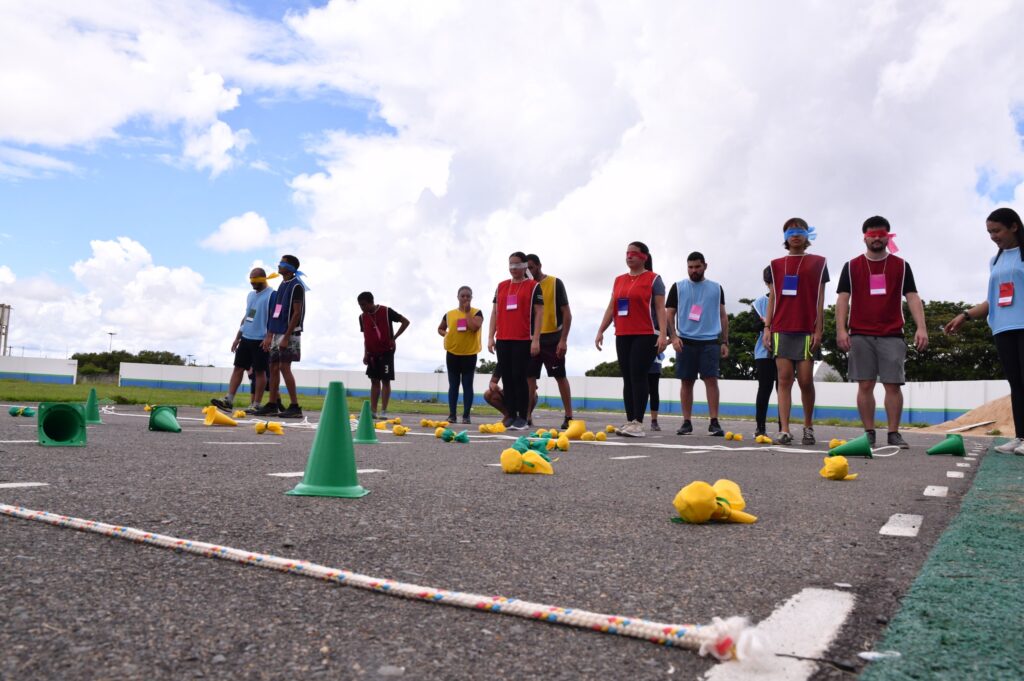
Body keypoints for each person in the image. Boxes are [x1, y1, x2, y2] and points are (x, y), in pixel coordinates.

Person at [836, 216, 928, 449]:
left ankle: (893, 433)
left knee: (892, 385)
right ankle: (868, 433)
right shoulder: (851, 266)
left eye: (881, 234)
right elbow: (843, 299)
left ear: (888, 237)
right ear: (864, 237)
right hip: (860, 333)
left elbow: (912, 296)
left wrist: (921, 327)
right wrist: (841, 330)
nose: (876, 238)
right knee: (865, 385)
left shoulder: (901, 265)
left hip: (892, 333)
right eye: (872, 234)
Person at [944, 207, 1024, 455]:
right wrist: (965, 315)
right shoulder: (995, 261)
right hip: (1002, 328)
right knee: (1016, 384)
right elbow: (992, 300)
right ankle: (1021, 437)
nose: (993, 236)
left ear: (1014, 227)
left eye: (997, 231)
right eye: (989, 232)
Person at [763, 219, 829, 445]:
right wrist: (767, 327)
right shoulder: (775, 264)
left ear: (807, 235)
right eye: (791, 231)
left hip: (807, 329)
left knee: (805, 380)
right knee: (783, 379)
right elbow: (773, 297)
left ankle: (808, 427)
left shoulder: (819, 262)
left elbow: (820, 298)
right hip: (781, 327)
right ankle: (784, 429)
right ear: (785, 237)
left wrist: (819, 329)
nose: (795, 235)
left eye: (800, 231)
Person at [594, 242, 668, 437]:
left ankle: (638, 423)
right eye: (627, 253)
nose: (629, 256)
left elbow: (660, 309)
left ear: (644, 257)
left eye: (634, 253)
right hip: (623, 333)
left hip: (646, 333)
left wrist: (663, 334)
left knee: (638, 374)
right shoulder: (619, 280)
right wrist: (601, 330)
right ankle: (630, 421)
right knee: (627, 377)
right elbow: (611, 307)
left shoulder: (654, 279)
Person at [666, 252, 729, 437]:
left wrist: (724, 341)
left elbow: (723, 316)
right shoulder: (678, 287)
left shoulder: (716, 288)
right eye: (690, 267)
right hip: (685, 340)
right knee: (686, 381)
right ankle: (686, 422)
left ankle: (714, 422)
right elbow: (669, 314)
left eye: (697, 267)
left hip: (710, 341)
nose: (693, 270)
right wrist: (674, 337)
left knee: (711, 380)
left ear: (705, 266)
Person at [487, 252, 543, 430]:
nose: (513, 268)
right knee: (508, 378)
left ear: (525, 266)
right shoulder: (501, 286)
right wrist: (490, 337)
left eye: (517, 264)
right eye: (511, 264)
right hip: (503, 339)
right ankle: (510, 414)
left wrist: (536, 339)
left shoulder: (533, 286)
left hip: (523, 338)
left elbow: (539, 313)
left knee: (519, 377)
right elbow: (494, 312)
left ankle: (522, 417)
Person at [211, 268, 274, 414]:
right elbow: (248, 316)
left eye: (255, 280)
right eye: (251, 280)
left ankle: (256, 404)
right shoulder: (251, 295)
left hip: (261, 340)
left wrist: (269, 337)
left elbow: (273, 318)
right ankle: (228, 400)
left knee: (260, 372)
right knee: (238, 368)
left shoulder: (272, 295)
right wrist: (237, 337)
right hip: (246, 337)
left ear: (263, 279)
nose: (252, 283)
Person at [525, 254, 575, 429]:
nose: (528, 271)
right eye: (526, 269)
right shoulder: (527, 286)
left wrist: (563, 340)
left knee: (560, 376)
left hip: (553, 338)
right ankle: (527, 416)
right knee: (529, 378)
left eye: (531, 267)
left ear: (539, 266)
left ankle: (569, 416)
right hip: (532, 339)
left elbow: (567, 314)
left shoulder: (555, 283)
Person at [255, 255, 308, 418]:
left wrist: (286, 336)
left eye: (282, 263)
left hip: (289, 332)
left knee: (285, 367)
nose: (279, 265)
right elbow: (276, 311)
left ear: (290, 267)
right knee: (273, 367)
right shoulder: (282, 285)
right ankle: (272, 404)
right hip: (277, 332)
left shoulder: (296, 286)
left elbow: (297, 313)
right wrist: (269, 334)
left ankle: (295, 406)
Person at [358, 291, 410, 419]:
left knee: (385, 380)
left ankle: (384, 411)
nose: (362, 308)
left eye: (364, 305)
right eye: (360, 305)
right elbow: (366, 337)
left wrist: (394, 338)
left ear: (371, 302)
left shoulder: (386, 311)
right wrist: (365, 353)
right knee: (374, 381)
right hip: (371, 354)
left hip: (386, 351)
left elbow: (405, 322)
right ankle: (373, 411)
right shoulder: (362, 317)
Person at [438, 286, 483, 423]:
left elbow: (474, 327)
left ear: (471, 297)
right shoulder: (449, 314)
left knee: (467, 384)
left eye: (468, 296)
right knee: (453, 385)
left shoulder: (477, 312)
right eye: (462, 296)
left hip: (469, 354)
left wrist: (467, 312)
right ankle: (452, 415)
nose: (465, 298)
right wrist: (447, 334)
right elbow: (440, 329)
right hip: (452, 353)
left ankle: (466, 416)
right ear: (457, 297)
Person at [751, 267, 777, 438]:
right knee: (765, 388)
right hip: (764, 352)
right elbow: (753, 325)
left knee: (783, 388)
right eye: (771, 283)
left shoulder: (788, 299)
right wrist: (763, 323)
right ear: (767, 283)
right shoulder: (759, 303)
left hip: (785, 349)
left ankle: (784, 427)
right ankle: (760, 427)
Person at [648, 352, 665, 431]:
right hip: (638, 360)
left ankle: (654, 421)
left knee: (654, 391)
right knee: (638, 392)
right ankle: (634, 420)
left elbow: (664, 345)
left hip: (654, 362)